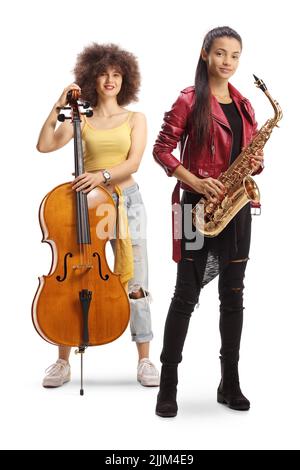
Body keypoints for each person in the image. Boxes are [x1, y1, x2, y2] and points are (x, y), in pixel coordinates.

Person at [153, 26, 264, 417]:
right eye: (220, 53)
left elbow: (253, 157)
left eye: (234, 55)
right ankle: (168, 385)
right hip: (192, 206)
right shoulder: (189, 100)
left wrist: (254, 162)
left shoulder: (247, 105)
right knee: (185, 295)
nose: (227, 62)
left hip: (234, 210)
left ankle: (229, 382)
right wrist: (195, 180)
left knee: (233, 295)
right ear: (205, 54)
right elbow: (162, 150)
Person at [36, 43, 159, 388]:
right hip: (86, 204)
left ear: (126, 79)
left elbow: (134, 163)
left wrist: (102, 176)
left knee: (136, 281)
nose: (110, 80)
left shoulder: (136, 118)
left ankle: (145, 358)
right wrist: (58, 105)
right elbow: (44, 145)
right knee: (74, 275)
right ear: (93, 77)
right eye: (103, 74)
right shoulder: (81, 118)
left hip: (126, 201)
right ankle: (62, 361)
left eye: (116, 74)